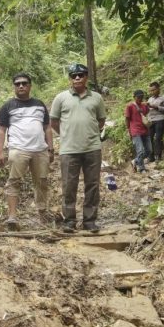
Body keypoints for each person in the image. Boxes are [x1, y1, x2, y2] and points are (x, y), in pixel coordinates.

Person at [50, 63, 106, 233]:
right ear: (70, 79)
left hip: (92, 148)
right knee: (69, 185)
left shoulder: (96, 98)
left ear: (86, 77)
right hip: (69, 150)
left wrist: (90, 133)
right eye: (73, 76)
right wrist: (66, 135)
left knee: (93, 185)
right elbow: (54, 121)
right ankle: (69, 221)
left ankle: (89, 221)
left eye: (80, 75)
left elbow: (101, 121)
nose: (77, 78)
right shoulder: (61, 98)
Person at [0, 73, 54, 227]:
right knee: (14, 181)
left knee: (41, 181)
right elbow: (1, 130)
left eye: (24, 83)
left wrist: (51, 148)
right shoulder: (8, 106)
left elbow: (47, 127)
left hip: (40, 150)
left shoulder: (40, 105)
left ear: (30, 85)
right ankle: (12, 217)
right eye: (17, 84)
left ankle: (43, 214)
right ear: (14, 87)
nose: (21, 86)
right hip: (18, 148)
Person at [125, 90, 152, 172]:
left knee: (149, 150)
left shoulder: (144, 106)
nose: (140, 98)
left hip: (145, 130)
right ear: (134, 97)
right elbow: (127, 118)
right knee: (140, 150)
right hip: (135, 130)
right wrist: (128, 130)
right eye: (138, 97)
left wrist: (147, 104)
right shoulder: (129, 106)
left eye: (141, 97)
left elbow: (146, 113)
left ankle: (134, 161)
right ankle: (141, 168)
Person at [147, 82, 164, 162]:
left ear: (158, 89)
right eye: (150, 91)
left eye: (153, 90)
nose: (152, 92)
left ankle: (158, 156)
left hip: (160, 119)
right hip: (151, 120)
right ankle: (151, 156)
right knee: (149, 138)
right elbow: (148, 110)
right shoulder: (150, 99)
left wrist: (156, 107)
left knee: (158, 138)